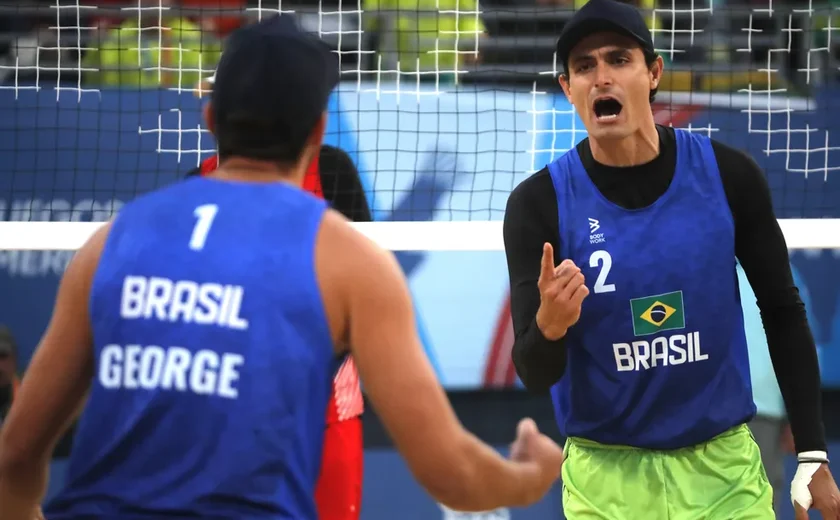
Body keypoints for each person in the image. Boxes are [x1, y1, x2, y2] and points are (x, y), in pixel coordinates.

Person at [0, 14, 564, 520]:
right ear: (317, 132)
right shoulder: (348, 262)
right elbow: (453, 474)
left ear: (210, 118)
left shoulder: (109, 244)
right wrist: (529, 477)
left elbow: (14, 459)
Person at [502, 0, 840, 518]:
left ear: (653, 72)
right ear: (568, 89)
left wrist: (814, 452)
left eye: (618, 59)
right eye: (584, 67)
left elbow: (782, 309)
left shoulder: (728, 176)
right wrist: (549, 325)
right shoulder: (537, 204)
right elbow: (533, 371)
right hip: (606, 481)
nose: (602, 78)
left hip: (723, 472)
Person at [187, 104, 372, 520]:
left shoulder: (332, 169)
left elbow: (367, 283)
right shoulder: (199, 183)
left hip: (329, 411)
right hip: (228, 418)